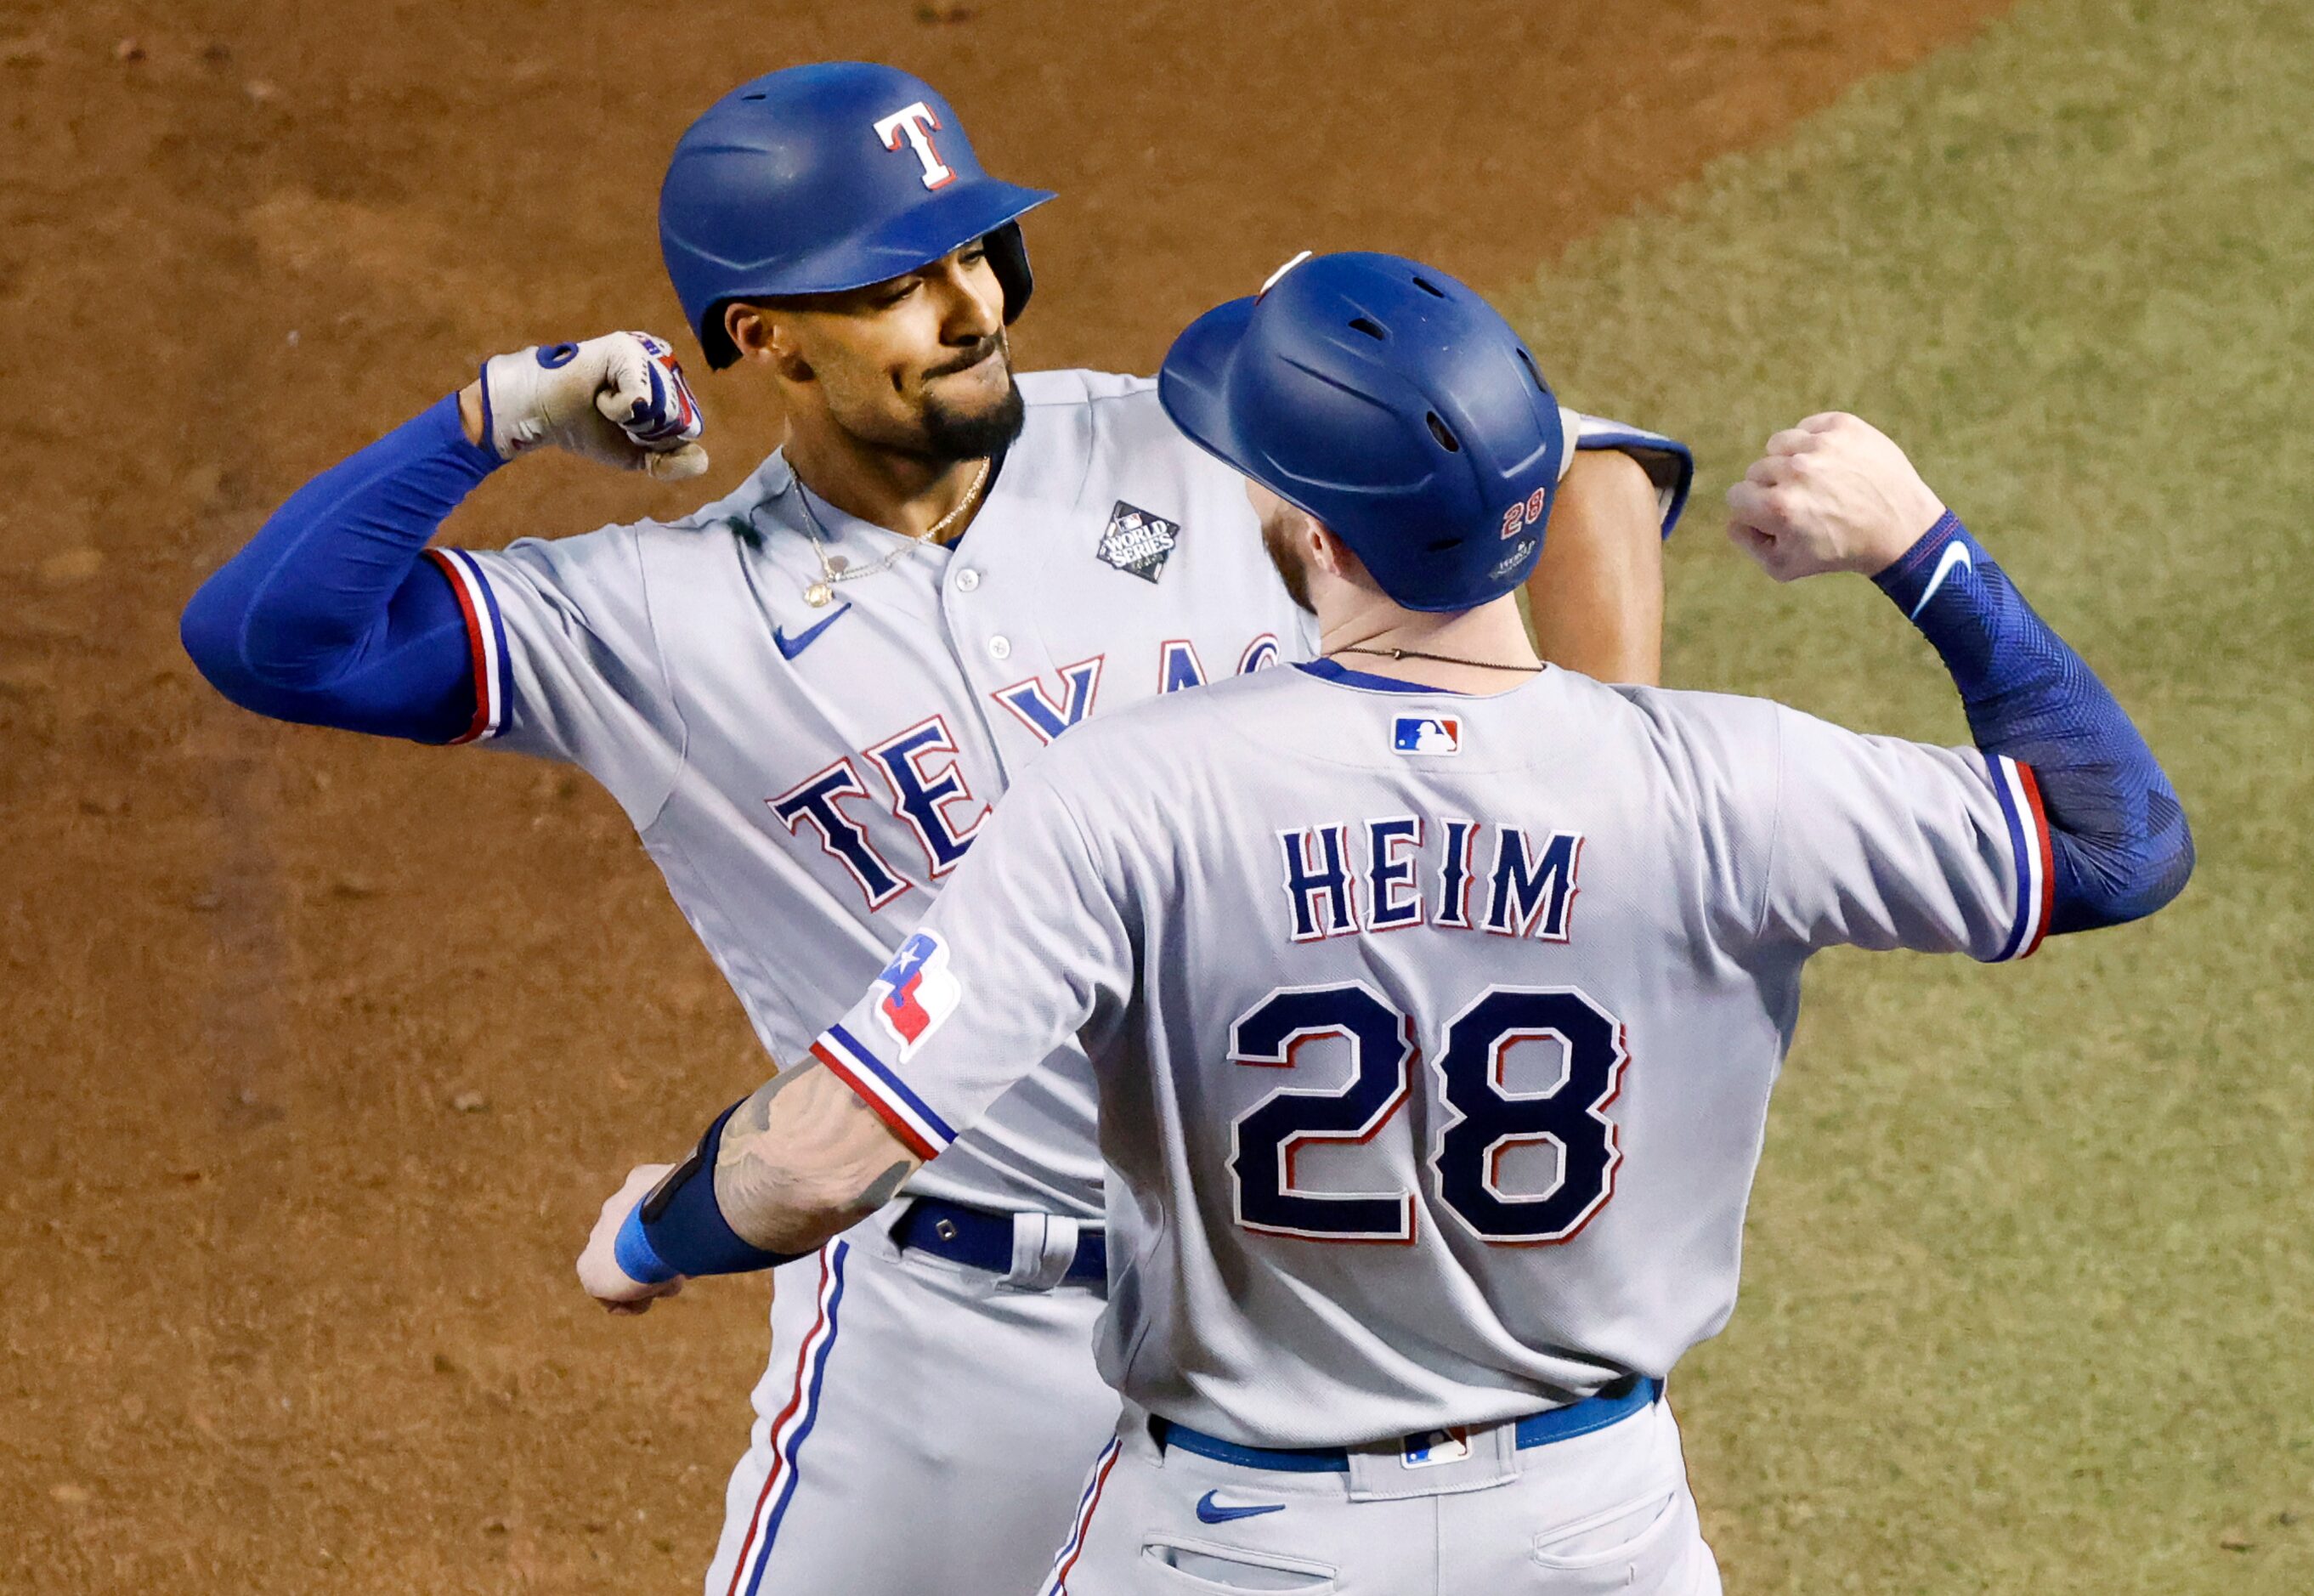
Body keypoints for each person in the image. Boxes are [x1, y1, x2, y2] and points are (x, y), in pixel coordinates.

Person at [178, 65, 1691, 1596]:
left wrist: (1597, 793)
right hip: (960, 1343)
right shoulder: (656, 615)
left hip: (1311, 1296)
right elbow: (268, 638)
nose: (970, 307)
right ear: (764, 335)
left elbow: (1572, 474)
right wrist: (494, 415)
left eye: (975, 253)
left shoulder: (1198, 442)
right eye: (897, 284)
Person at [574, 252, 2192, 1594]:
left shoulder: (1126, 795)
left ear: (1316, 534)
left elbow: (813, 1164)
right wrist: (1925, 549)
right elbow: (2119, 842)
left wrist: (659, 1227)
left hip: (1236, 1542)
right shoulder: (1726, 779)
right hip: (1595, 1535)